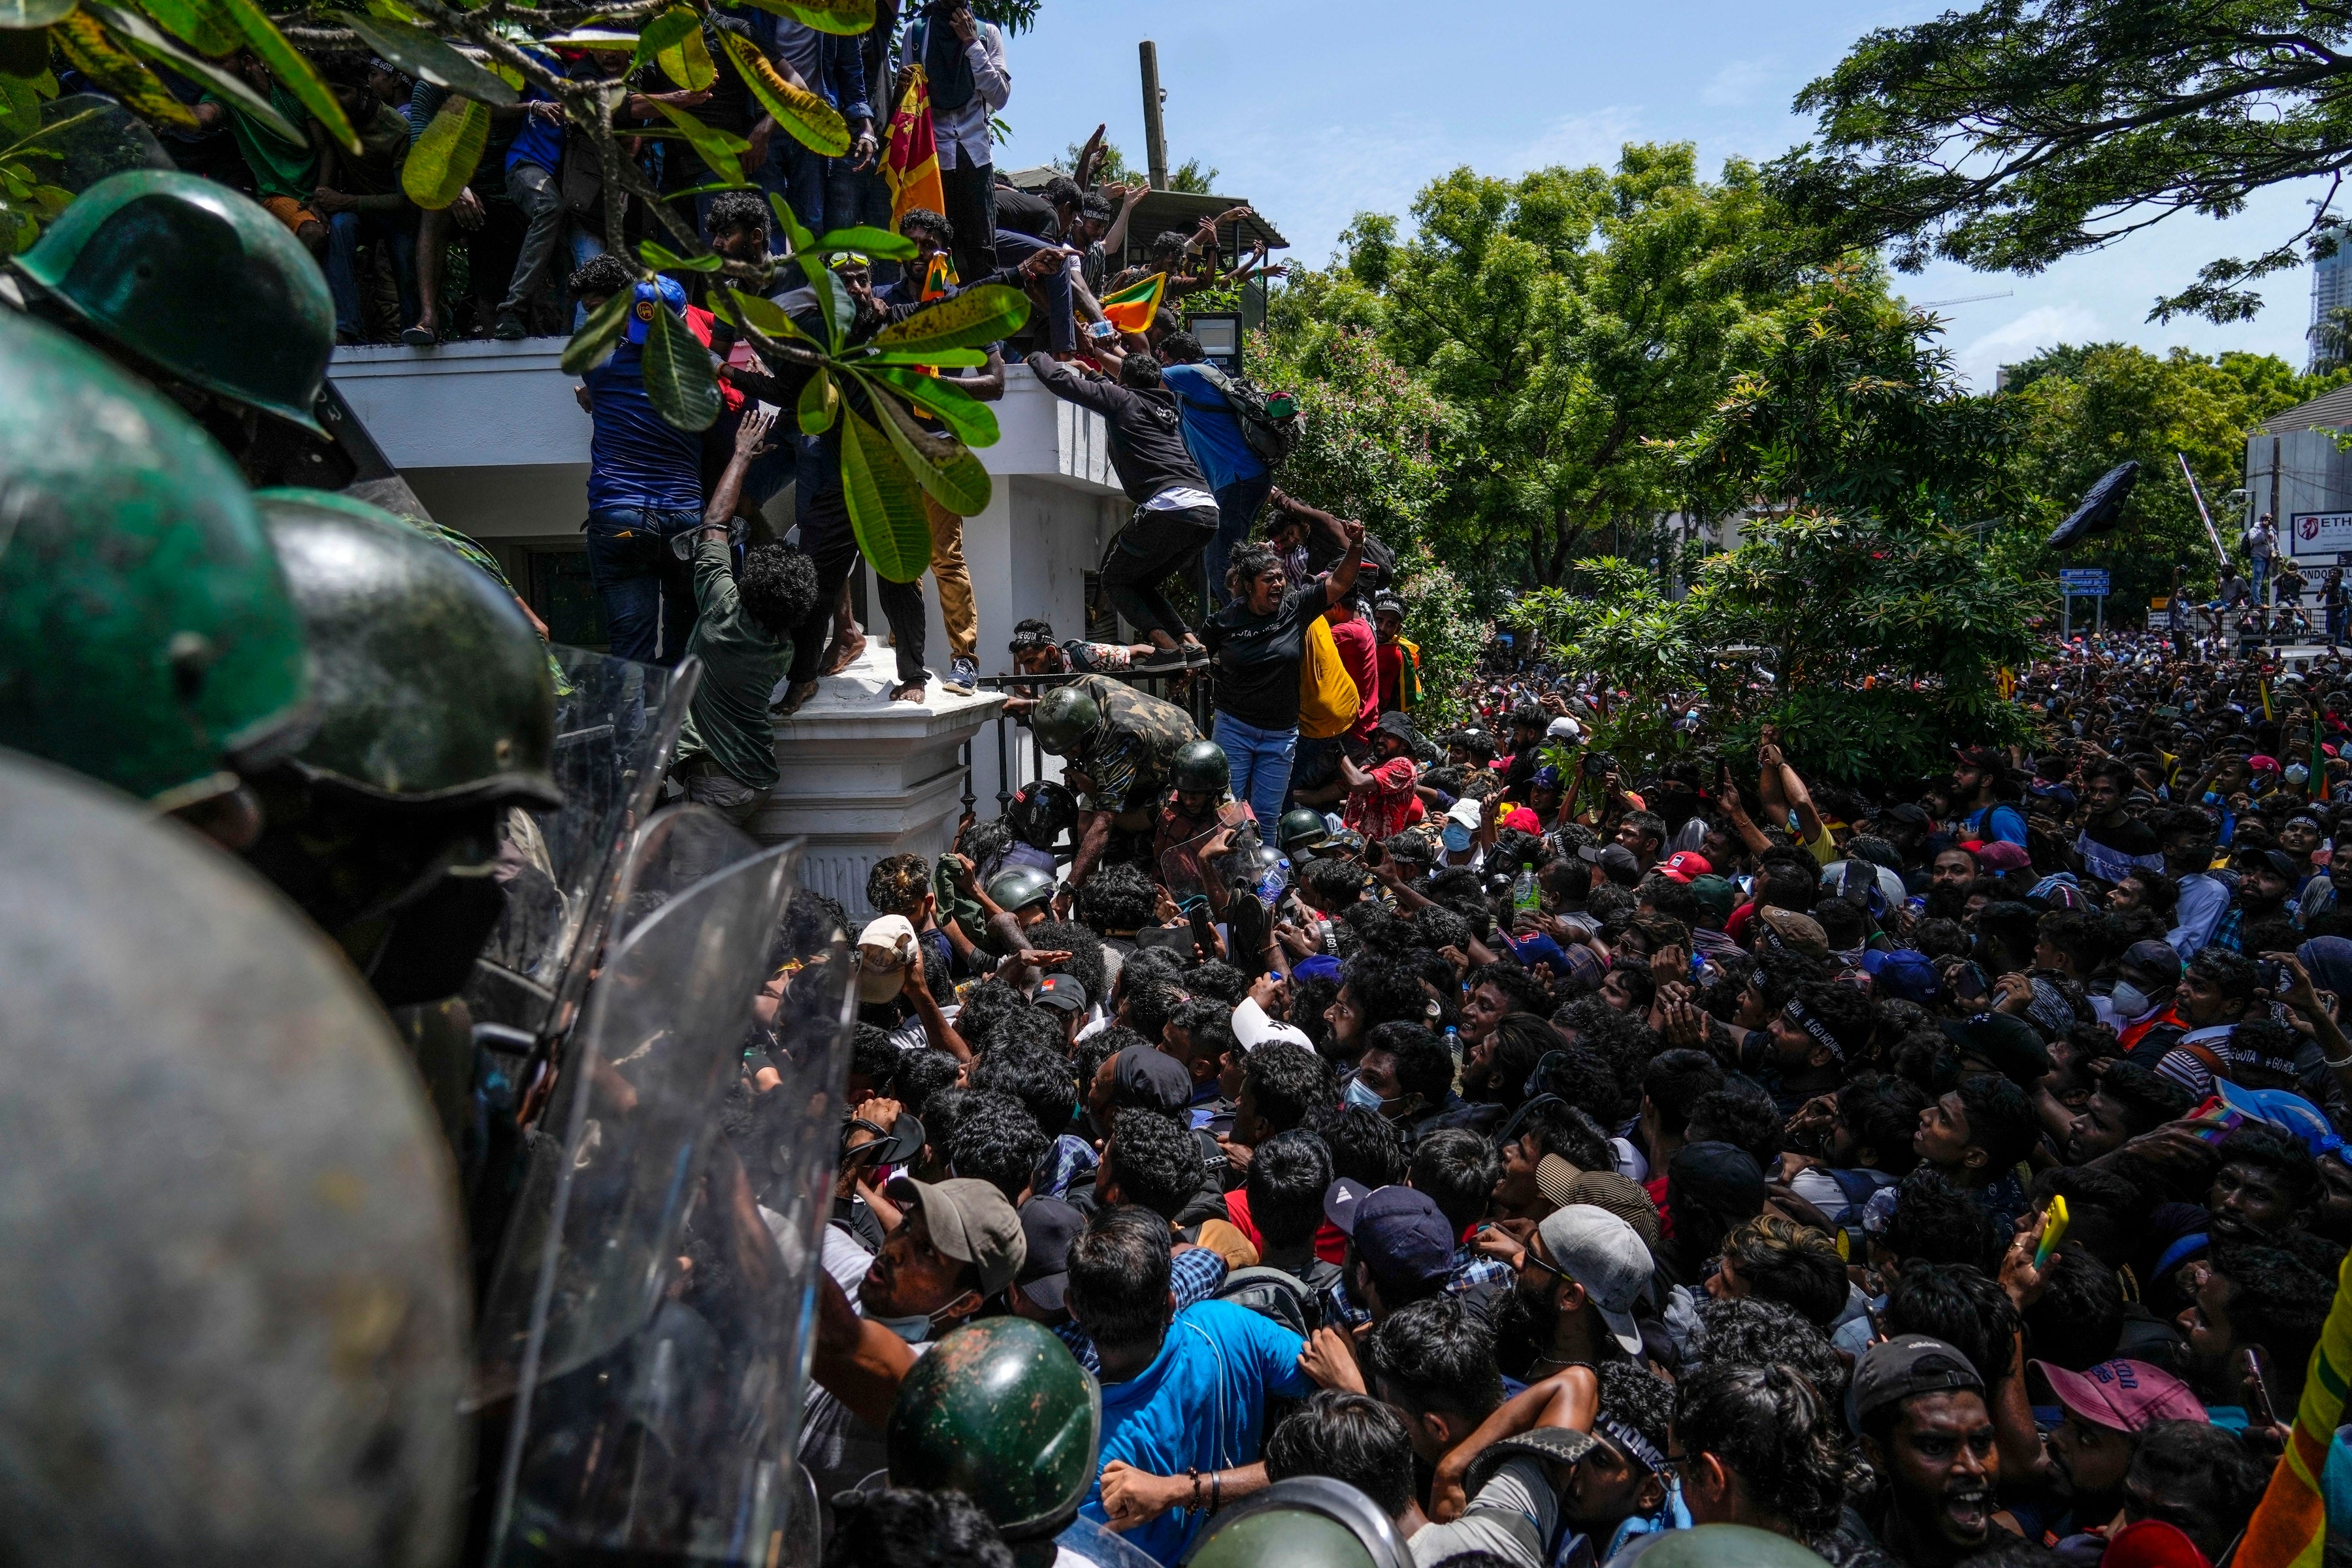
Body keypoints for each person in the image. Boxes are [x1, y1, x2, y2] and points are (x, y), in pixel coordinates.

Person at [668, 409, 821, 822]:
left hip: (721, 784)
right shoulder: (781, 649)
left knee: (680, 877)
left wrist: (741, 454)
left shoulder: (722, 611)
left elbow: (715, 523)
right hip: (755, 780)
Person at [1027, 347, 1221, 654]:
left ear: (1125, 385)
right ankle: (1192, 646)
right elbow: (1114, 391)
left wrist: (1037, 357)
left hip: (1169, 506)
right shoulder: (1166, 409)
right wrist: (1092, 372)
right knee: (1140, 584)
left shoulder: (1123, 400)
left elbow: (1061, 382)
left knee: (1114, 579)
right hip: (1206, 512)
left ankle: (1169, 651)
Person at [570, 264, 706, 664]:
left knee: (630, 657)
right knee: (683, 654)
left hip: (619, 517)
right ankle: (677, 724)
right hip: (685, 520)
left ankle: (633, 728)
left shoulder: (598, 368)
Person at [1202, 531, 1368, 826]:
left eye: (1280, 577)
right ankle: (1226, 870)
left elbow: (1339, 583)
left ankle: (1263, 872)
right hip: (1234, 728)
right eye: (1268, 579)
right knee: (1229, 811)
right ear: (1250, 587)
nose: (1278, 583)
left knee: (1267, 816)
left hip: (1280, 735)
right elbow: (1201, 659)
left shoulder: (1295, 609)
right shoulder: (1223, 622)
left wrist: (1356, 546)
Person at [1850, 1337, 2006, 1567]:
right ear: (1877, 1454)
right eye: (1935, 1447)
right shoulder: (1840, 1539)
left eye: (1981, 1442)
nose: (1973, 1467)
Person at [1158, 331, 1273, 611]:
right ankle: (1254, 614)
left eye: (1165, 362)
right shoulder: (1194, 386)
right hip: (1242, 480)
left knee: (1219, 560)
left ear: (1181, 362)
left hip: (1239, 480)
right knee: (1230, 558)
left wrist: (1096, 361)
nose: (1163, 368)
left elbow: (1141, 377)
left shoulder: (1193, 374)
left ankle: (1247, 624)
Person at [900, 2, 1011, 288]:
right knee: (932, 254)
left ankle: (985, 329)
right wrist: (903, 86)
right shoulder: (915, 34)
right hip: (931, 161)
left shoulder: (988, 34)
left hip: (975, 159)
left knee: (982, 253)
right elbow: (905, 105)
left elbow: (999, 96)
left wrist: (972, 43)